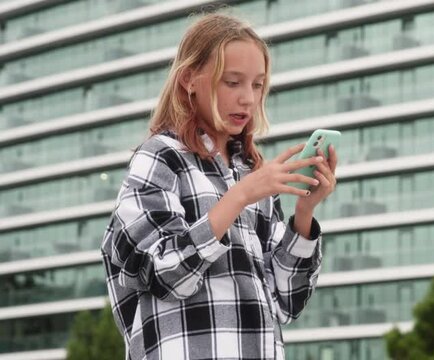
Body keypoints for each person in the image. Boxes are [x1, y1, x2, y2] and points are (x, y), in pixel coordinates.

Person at [101, 12, 337, 360]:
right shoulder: (161, 159)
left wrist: (305, 211)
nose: (248, 98)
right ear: (189, 80)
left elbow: (286, 302)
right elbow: (165, 273)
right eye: (232, 82)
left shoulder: (252, 172)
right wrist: (240, 196)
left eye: (257, 84)